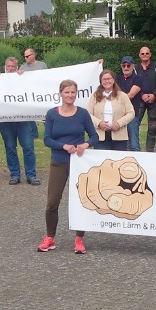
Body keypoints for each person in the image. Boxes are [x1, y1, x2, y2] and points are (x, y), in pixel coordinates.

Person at [39, 79, 99, 254]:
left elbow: (94, 136)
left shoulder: (82, 114)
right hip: (59, 161)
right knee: (52, 202)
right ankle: (50, 237)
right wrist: (63, 146)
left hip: (79, 163)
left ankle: (79, 238)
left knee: (81, 201)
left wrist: (85, 145)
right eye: (67, 92)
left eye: (73, 92)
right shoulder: (52, 114)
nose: (70, 95)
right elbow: (47, 139)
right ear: (61, 93)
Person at [0, 57, 40, 186]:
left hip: (23, 119)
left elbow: (35, 87)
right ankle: (15, 174)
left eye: (12, 67)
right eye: (8, 66)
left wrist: (24, 76)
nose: (10, 69)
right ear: (5, 66)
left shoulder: (23, 78)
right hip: (5, 119)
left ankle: (31, 175)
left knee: (28, 147)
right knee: (10, 147)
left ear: (17, 67)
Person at [89, 69, 136, 151]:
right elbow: (88, 114)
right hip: (100, 137)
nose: (107, 81)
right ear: (101, 81)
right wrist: (99, 123)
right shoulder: (95, 96)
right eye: (104, 79)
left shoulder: (123, 96)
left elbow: (131, 113)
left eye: (109, 78)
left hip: (120, 137)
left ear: (113, 80)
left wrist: (119, 123)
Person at [133, 46, 156, 151]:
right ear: (139, 55)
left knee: (152, 127)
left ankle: (149, 151)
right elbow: (132, 83)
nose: (145, 55)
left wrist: (154, 95)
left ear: (150, 54)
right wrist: (141, 94)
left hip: (154, 101)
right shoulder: (135, 68)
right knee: (134, 125)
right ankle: (134, 148)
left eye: (147, 53)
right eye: (142, 53)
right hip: (139, 101)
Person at [116, 56, 144, 151]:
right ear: (121, 66)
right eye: (124, 65)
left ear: (133, 66)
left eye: (128, 65)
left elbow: (131, 95)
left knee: (134, 144)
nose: (126, 67)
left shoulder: (138, 79)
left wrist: (119, 98)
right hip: (119, 116)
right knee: (123, 144)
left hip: (132, 114)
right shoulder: (117, 78)